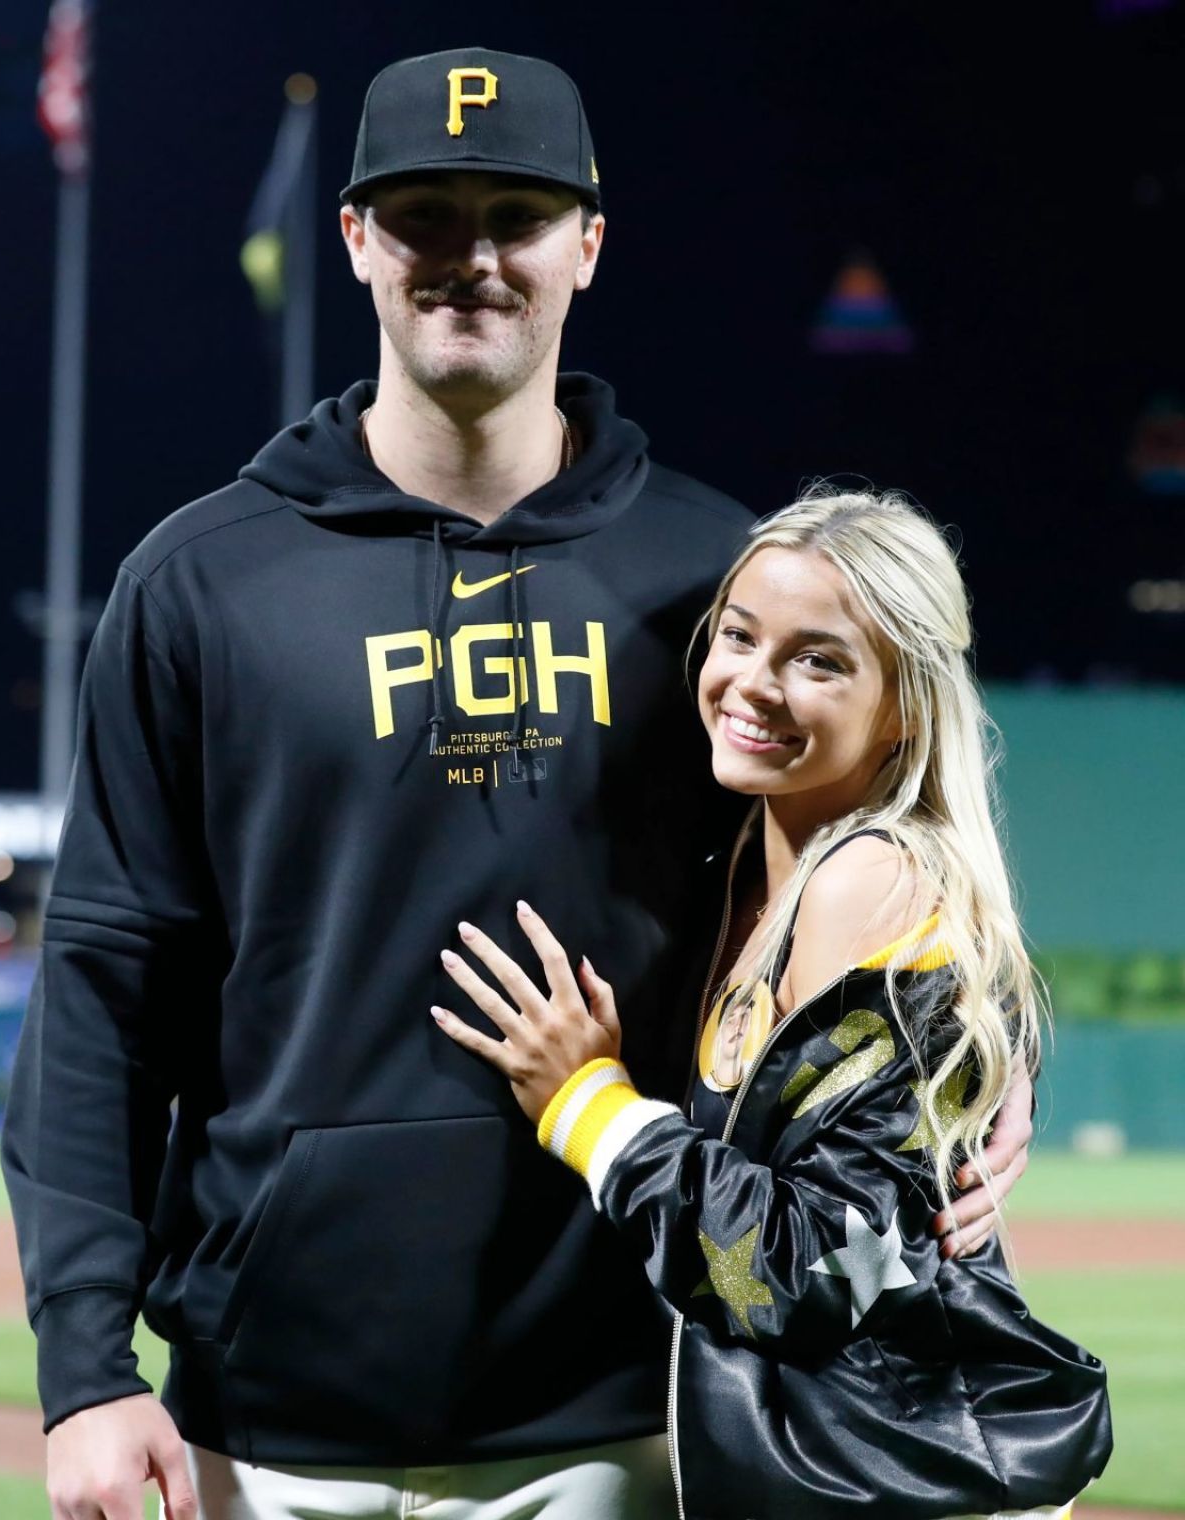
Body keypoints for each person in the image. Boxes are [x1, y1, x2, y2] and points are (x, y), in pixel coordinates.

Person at [1, 48, 1033, 1520]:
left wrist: (975, 1074)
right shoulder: (202, 582)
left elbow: (894, 843)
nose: (471, 256)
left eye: (516, 214)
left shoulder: (714, 582)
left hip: (624, 1415)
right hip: (274, 1420)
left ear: (586, 247)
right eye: (425, 214)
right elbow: (106, 982)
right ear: (357, 240)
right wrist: (87, 1370)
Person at [432, 487, 1113, 1520]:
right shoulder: (755, 864)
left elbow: (807, 1272)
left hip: (896, 1488)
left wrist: (588, 1103)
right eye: (739, 636)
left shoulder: (867, 879)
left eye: (818, 659)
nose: (752, 682)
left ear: (902, 708)